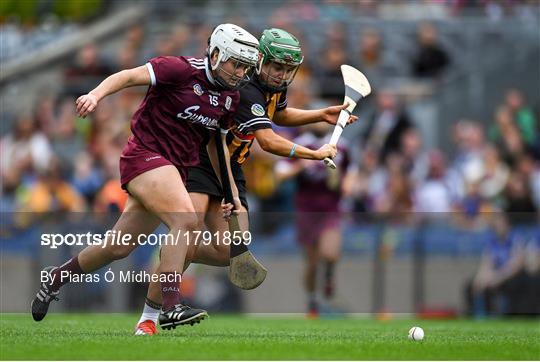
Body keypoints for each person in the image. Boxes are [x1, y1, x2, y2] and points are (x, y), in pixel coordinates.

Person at [31, 23, 264, 330]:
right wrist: (95, 94)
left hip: (174, 171)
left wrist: (229, 192)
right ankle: (169, 306)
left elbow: (216, 144)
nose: (239, 73)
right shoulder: (178, 69)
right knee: (186, 220)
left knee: (117, 247)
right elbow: (128, 76)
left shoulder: (229, 97)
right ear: (217, 54)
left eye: (245, 67)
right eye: (236, 63)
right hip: (144, 156)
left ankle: (56, 276)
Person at [133, 28, 346, 335]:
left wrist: (319, 115)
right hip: (202, 161)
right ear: (260, 61)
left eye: (288, 70)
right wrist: (314, 153)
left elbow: (279, 115)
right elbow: (268, 141)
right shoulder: (246, 89)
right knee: (188, 229)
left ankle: (176, 248)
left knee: (230, 249)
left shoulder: (274, 88)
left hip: (234, 167)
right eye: (276, 67)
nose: (281, 75)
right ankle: (150, 318)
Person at [275, 122, 351, 317]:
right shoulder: (301, 145)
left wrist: (344, 183)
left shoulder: (340, 146)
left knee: (330, 253)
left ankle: (329, 277)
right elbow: (280, 173)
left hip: (330, 208)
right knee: (312, 261)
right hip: (306, 209)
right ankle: (312, 299)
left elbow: (351, 172)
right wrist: (301, 165)